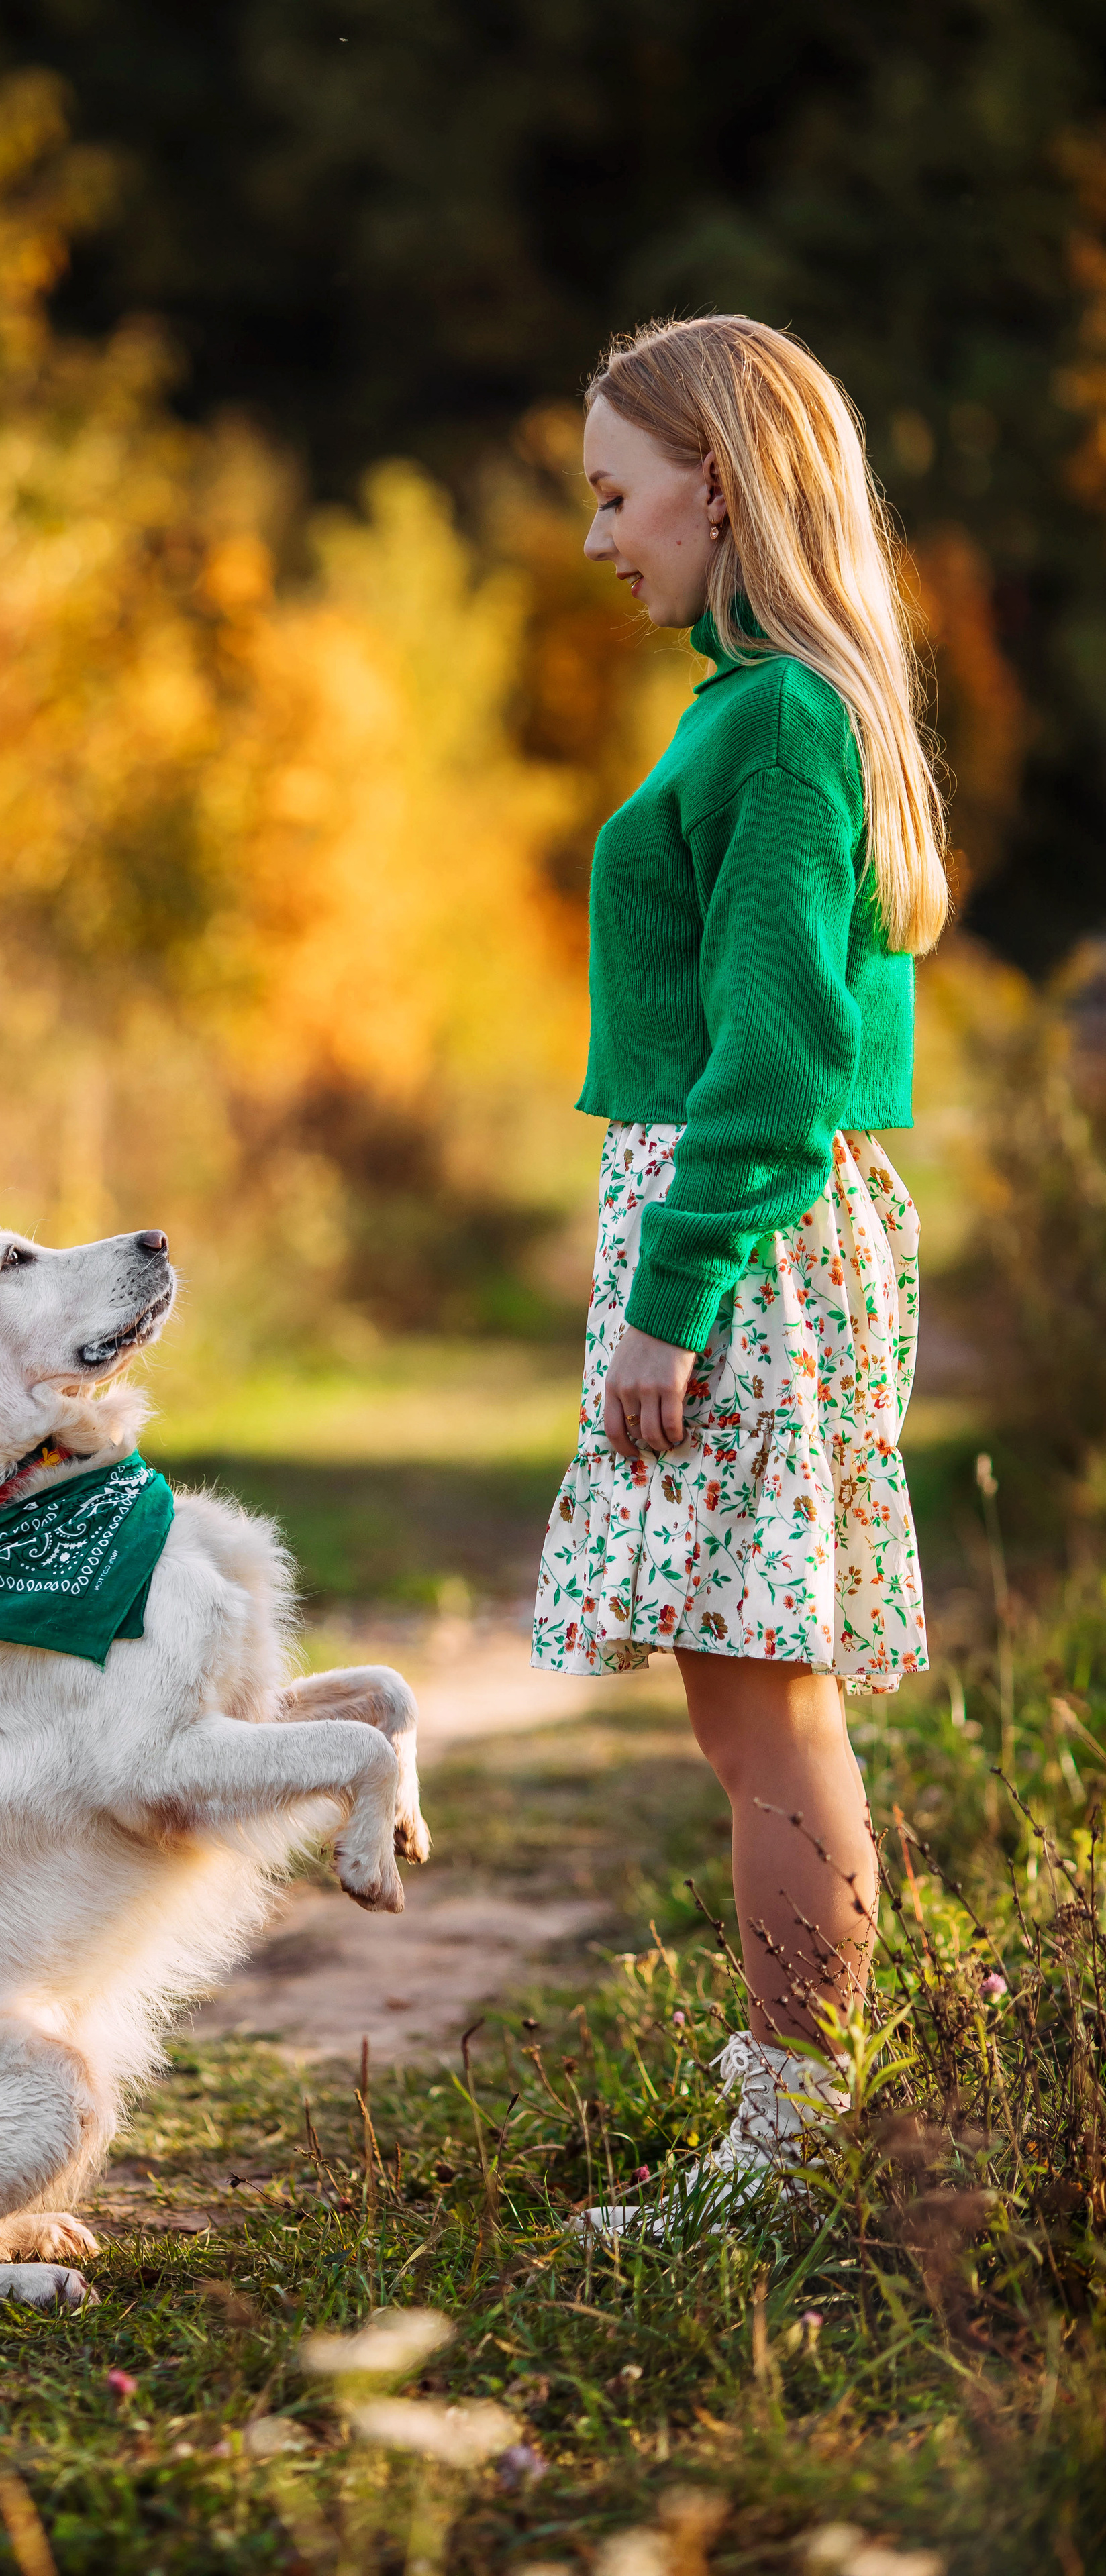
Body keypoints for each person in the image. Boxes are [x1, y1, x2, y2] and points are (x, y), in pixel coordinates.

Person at [529, 314, 948, 2224]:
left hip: (749, 1241)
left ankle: (791, 2144)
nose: (601, 537)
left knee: (768, 1703)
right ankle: (787, 2117)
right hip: (738, 1226)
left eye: (617, 495)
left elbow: (771, 1070)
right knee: (745, 1701)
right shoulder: (745, 708)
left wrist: (671, 1297)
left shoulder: (779, 720)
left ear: (720, 479)